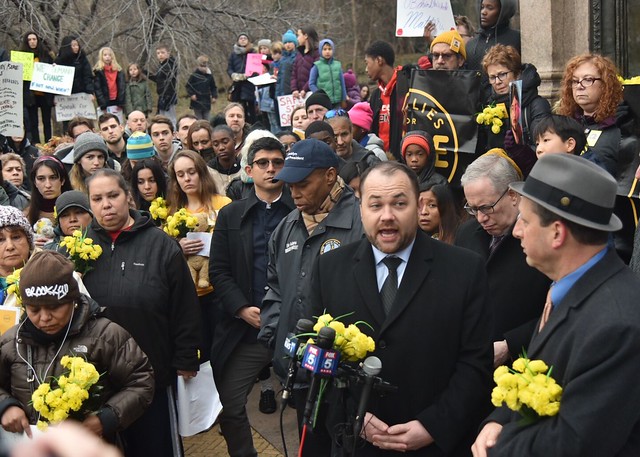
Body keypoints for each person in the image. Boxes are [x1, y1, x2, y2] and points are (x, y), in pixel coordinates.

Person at [308, 161, 493, 456]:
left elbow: (475, 364)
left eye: (399, 204)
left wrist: (433, 425)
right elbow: (315, 359)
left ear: (418, 206)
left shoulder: (464, 269)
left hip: (436, 445)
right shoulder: (330, 268)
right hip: (356, 443)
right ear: (361, 209)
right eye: (375, 205)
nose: (387, 216)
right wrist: (352, 416)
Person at [472, 153, 640, 457]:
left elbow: (575, 443)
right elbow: (535, 378)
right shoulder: (568, 288)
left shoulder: (617, 324)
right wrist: (498, 420)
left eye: (525, 219)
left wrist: (500, 445)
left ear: (558, 233)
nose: (518, 231)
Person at [82, 169, 201, 457]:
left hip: (151, 376)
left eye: (113, 195)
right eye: (97, 198)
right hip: (97, 380)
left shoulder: (160, 245)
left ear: (129, 197)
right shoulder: (80, 247)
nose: (106, 204)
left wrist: (186, 358)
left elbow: (184, 306)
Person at [258, 139, 364, 454]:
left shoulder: (361, 222)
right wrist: (274, 333)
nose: (294, 193)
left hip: (347, 378)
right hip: (300, 371)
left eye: (303, 184)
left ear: (330, 176)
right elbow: (274, 287)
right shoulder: (287, 227)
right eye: (290, 185)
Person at [0, 250, 154, 444]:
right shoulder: (11, 342)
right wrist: (6, 406)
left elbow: (141, 380)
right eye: (34, 309)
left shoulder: (105, 335)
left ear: (72, 301)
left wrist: (105, 419)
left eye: (55, 307)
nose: (45, 318)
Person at [210, 137, 294, 457]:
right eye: (263, 163)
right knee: (229, 404)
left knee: (312, 405)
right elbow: (219, 271)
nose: (271, 168)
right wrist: (242, 308)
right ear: (249, 169)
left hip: (296, 327)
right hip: (249, 329)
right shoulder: (232, 215)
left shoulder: (299, 211)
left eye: (277, 162)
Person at [456, 153, 550, 367]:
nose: (480, 218)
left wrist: (511, 344)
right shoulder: (468, 232)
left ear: (513, 195)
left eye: (486, 208)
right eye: (472, 209)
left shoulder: (541, 242)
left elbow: (558, 311)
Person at [167, 150, 231, 361]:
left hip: (220, 293)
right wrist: (178, 246)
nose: (187, 178)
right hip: (189, 297)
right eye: (181, 174)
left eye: (191, 172)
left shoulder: (223, 204)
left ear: (201, 173)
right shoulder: (172, 212)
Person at [557, 53, 624, 177]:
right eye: (575, 81)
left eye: (588, 80)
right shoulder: (564, 123)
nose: (579, 86)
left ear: (605, 85)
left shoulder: (622, 126)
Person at [480, 44, 551, 156]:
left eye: (502, 74)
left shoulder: (536, 105)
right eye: (492, 77)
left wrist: (520, 150)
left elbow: (544, 147)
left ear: (517, 74)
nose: (497, 82)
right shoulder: (490, 105)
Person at [365, 40, 406, 161]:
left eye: (367, 63)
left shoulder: (406, 87)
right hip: (381, 161)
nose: (366, 69)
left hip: (404, 161)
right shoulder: (376, 95)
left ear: (379, 60)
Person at [19, 31, 54, 144]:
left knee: (47, 121)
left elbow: (52, 73)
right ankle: (36, 144)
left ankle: (49, 143)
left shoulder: (45, 55)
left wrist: (53, 67)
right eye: (29, 40)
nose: (32, 42)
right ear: (26, 41)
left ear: (38, 41)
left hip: (44, 94)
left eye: (34, 39)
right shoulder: (22, 57)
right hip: (30, 95)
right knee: (33, 122)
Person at [465, 0, 521, 72]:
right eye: (482, 7)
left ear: (503, 11)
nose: (483, 12)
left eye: (490, 8)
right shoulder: (471, 44)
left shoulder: (516, 39)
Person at [0, 206, 35, 306]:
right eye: (1, 240)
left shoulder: (50, 273)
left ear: (29, 241)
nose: (10, 246)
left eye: (16, 237)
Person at [27, 156, 72, 227]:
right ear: (35, 182)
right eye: (41, 178)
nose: (48, 185)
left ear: (62, 180)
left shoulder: (77, 211)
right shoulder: (26, 216)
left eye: (53, 178)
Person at [227, 33, 258, 125]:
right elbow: (229, 68)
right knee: (239, 107)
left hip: (250, 84)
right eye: (241, 38)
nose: (243, 40)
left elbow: (256, 69)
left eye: (245, 38)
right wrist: (233, 75)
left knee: (251, 108)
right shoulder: (233, 54)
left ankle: (253, 125)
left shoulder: (253, 53)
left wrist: (247, 75)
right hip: (237, 85)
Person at [204, 124, 242, 193]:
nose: (221, 148)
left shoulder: (243, 168)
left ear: (234, 141)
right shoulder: (208, 172)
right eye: (216, 144)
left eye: (225, 142)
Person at [308, 39, 347, 107]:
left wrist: (344, 99)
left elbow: (342, 83)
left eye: (329, 49)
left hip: (337, 101)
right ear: (321, 50)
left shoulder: (337, 65)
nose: (327, 51)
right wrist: (319, 94)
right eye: (324, 49)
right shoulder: (317, 66)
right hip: (324, 101)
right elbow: (311, 84)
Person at [93, 47, 126, 123]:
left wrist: (121, 102)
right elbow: (98, 89)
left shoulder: (118, 71)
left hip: (116, 101)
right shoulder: (98, 72)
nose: (107, 57)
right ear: (101, 57)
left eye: (109, 55)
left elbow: (122, 87)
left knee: (118, 123)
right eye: (105, 55)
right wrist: (102, 103)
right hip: (105, 101)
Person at [149, 44, 178, 127]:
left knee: (170, 118)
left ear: (168, 53)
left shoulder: (170, 64)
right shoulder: (162, 65)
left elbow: (163, 78)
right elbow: (158, 79)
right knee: (162, 117)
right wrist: (146, 73)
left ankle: (174, 135)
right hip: (162, 95)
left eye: (162, 52)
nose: (160, 55)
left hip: (169, 95)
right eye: (158, 53)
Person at [291, 26, 320, 101]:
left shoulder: (317, 53)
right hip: (299, 95)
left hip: (312, 92)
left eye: (299, 35)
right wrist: (294, 89)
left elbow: (315, 74)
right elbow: (294, 73)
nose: (297, 38)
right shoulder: (299, 54)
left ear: (306, 36)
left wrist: (305, 89)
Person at [186, 55, 218, 121]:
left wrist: (214, 96)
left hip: (206, 100)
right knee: (198, 119)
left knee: (208, 118)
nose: (203, 68)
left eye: (205, 66)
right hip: (197, 101)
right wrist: (192, 94)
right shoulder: (194, 75)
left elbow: (213, 87)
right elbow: (188, 86)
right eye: (201, 66)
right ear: (198, 66)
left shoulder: (209, 76)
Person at [276, 30, 298, 98]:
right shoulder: (282, 59)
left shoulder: (298, 57)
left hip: (292, 92)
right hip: (282, 93)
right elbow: (279, 78)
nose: (287, 44)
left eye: (290, 42)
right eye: (285, 43)